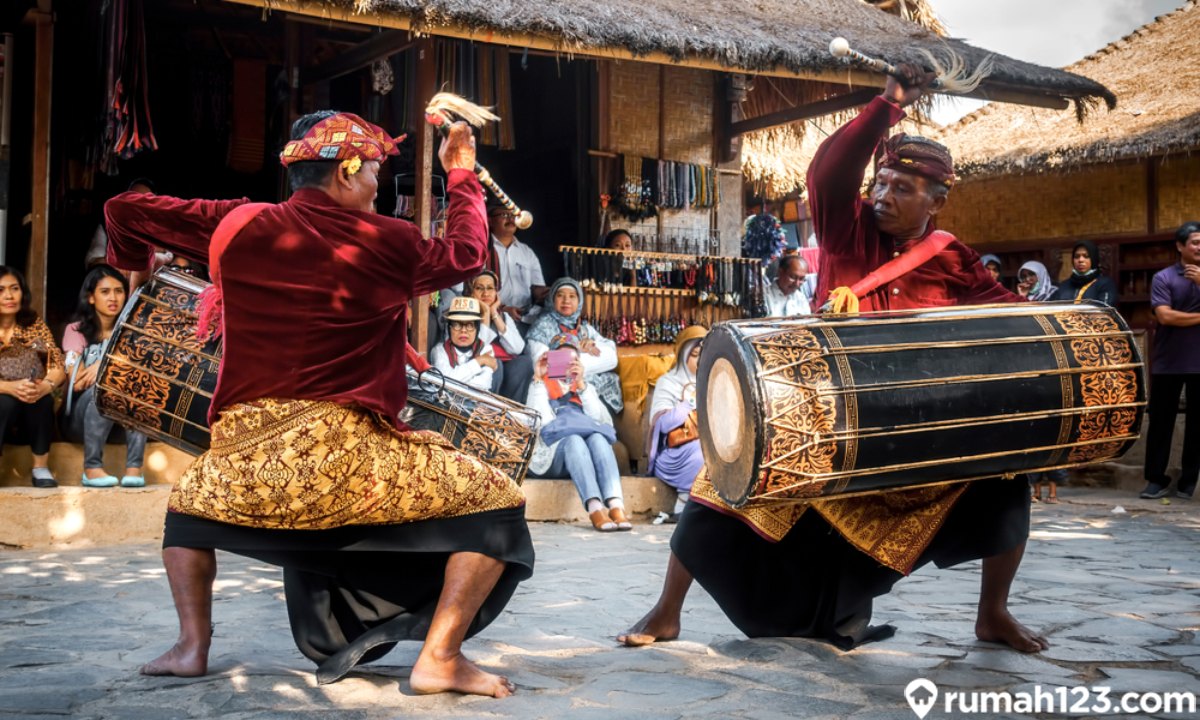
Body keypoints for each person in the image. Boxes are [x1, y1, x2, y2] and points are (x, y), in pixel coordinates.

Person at [103, 111, 533, 698]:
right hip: (350, 465)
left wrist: (137, 270)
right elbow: (464, 253)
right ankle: (440, 657)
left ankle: (191, 646)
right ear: (345, 173)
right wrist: (460, 174)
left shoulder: (238, 224)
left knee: (186, 512)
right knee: (499, 505)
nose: (380, 185)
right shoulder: (389, 242)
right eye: (376, 172)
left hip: (242, 466)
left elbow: (123, 212)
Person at [619, 66, 1046, 655]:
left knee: (1005, 477)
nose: (882, 196)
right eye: (882, 183)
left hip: (913, 428)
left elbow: (1012, 318)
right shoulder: (847, 232)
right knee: (718, 481)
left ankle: (992, 614)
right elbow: (828, 172)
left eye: (902, 188)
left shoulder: (956, 262)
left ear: (937, 202)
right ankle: (667, 610)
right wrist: (887, 105)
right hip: (828, 416)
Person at [526, 343, 630, 532]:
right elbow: (541, 423)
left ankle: (616, 505)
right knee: (574, 439)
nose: (567, 365)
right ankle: (595, 508)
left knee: (598, 438)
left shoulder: (584, 386)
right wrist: (539, 378)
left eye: (572, 360)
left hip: (584, 454)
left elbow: (601, 420)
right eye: (561, 359)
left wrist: (581, 383)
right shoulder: (540, 385)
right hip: (552, 454)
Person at [60, 265, 147, 488]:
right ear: (91, 297)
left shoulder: (131, 333)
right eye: (105, 291)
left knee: (136, 388)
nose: (113, 298)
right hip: (79, 422)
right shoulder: (75, 331)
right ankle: (92, 468)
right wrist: (117, 368)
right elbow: (77, 380)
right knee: (105, 388)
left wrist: (103, 365)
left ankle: (134, 469)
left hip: (120, 426)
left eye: (119, 291)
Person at [1139, 221, 1200, 501]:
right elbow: (1165, 316)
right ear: (1180, 246)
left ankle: (1189, 481)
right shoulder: (1163, 277)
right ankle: (1155, 479)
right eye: (1195, 242)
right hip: (1168, 361)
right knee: (1161, 422)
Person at [0, 266, 67, 488]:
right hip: (3, 400)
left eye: (14, 288)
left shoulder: (33, 324)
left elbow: (57, 364)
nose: (9, 296)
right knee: (4, 402)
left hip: (32, 398)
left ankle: (40, 468)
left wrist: (45, 386)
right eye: (0, 290)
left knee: (41, 400)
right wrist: (10, 387)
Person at [526, 277, 623, 415]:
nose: (566, 301)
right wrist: (579, 352)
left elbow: (612, 357)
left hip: (585, 392)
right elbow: (546, 366)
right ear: (552, 299)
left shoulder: (583, 328)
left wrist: (591, 346)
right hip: (556, 399)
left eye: (572, 296)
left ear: (579, 301)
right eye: (560, 296)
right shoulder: (542, 327)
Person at [645, 325, 707, 523]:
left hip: (708, 444)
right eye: (696, 355)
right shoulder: (669, 382)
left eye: (706, 355)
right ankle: (682, 503)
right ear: (683, 355)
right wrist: (688, 403)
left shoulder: (714, 379)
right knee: (701, 451)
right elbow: (662, 424)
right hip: (673, 455)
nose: (702, 360)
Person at [465, 269, 533, 401]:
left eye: (490, 288)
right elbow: (478, 351)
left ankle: (511, 411)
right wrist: (485, 315)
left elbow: (517, 349)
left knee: (525, 362)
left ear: (496, 293)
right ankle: (489, 410)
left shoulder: (504, 316)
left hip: (504, 368)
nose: (486, 293)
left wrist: (494, 313)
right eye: (479, 288)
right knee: (494, 363)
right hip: (477, 367)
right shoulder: (464, 315)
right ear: (471, 292)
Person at [486, 200, 547, 327]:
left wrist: (553, 292)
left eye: (514, 215)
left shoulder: (527, 252)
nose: (511, 219)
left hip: (523, 318)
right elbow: (473, 288)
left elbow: (537, 288)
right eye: (504, 215)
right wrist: (502, 309)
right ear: (490, 221)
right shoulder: (482, 249)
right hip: (491, 317)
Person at [429, 296, 497, 392]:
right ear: (449, 328)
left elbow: (483, 384)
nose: (463, 330)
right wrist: (479, 361)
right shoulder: (439, 351)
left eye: (470, 325)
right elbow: (444, 382)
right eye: (457, 325)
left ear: (477, 329)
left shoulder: (486, 349)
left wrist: (455, 378)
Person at [1052, 240, 1118, 306]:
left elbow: (1104, 311)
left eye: (1086, 256)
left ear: (1093, 259)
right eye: (1077, 256)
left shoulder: (1105, 284)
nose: (1080, 260)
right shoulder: (1064, 286)